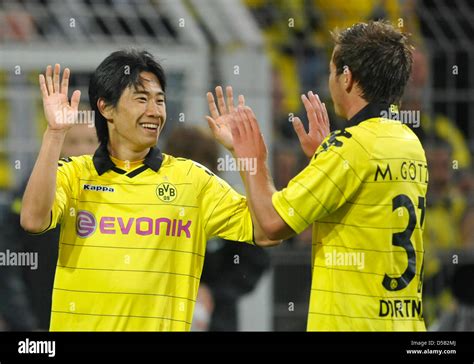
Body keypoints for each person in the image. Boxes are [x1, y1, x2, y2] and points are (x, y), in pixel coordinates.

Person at [20, 50, 277, 331]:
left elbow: (267, 229)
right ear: (106, 108)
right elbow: (33, 220)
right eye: (141, 99)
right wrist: (55, 133)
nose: (155, 111)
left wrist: (250, 160)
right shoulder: (74, 174)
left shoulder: (192, 179)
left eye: (160, 100)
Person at [208, 20, 427, 331]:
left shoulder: (351, 148)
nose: (329, 80)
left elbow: (271, 225)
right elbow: (366, 205)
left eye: (332, 71)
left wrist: (250, 158)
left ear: (347, 77)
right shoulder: (408, 142)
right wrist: (324, 156)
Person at [164, 126, 270, 331]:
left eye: (202, 167)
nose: (195, 177)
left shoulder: (232, 204)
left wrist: (213, 292)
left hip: (220, 321)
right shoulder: (154, 207)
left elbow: (256, 261)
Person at [0, 123, 98, 330]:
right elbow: (8, 268)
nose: (82, 149)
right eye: (73, 142)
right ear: (57, 145)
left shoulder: (117, 195)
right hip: (41, 319)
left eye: (90, 141)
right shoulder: (31, 195)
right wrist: (25, 325)